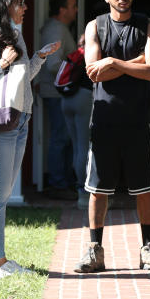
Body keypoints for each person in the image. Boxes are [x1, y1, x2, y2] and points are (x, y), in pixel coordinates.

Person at [75, 0, 150, 274]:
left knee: (145, 187)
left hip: (137, 118)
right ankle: (95, 250)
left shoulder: (147, 25)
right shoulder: (96, 26)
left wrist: (114, 62)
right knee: (98, 188)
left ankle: (148, 249)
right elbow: (94, 71)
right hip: (104, 117)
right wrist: (135, 64)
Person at [0, 0, 59, 279]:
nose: (25, 7)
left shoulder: (16, 35)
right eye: (19, 2)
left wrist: (40, 57)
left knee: (5, 192)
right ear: (3, 5)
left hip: (21, 118)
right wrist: (2, 63)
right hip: (0, 122)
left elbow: (24, 77)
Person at [37, 0, 78, 199]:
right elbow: (53, 65)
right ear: (62, 10)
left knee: (66, 138)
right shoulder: (55, 29)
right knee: (61, 138)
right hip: (57, 93)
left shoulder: (59, 29)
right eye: (72, 6)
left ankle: (66, 181)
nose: (76, 10)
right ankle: (58, 185)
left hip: (58, 93)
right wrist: (77, 72)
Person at [59, 33, 93, 211]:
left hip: (67, 100)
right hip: (84, 99)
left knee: (76, 146)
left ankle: (80, 190)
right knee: (84, 147)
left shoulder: (74, 54)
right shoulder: (92, 54)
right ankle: (84, 193)